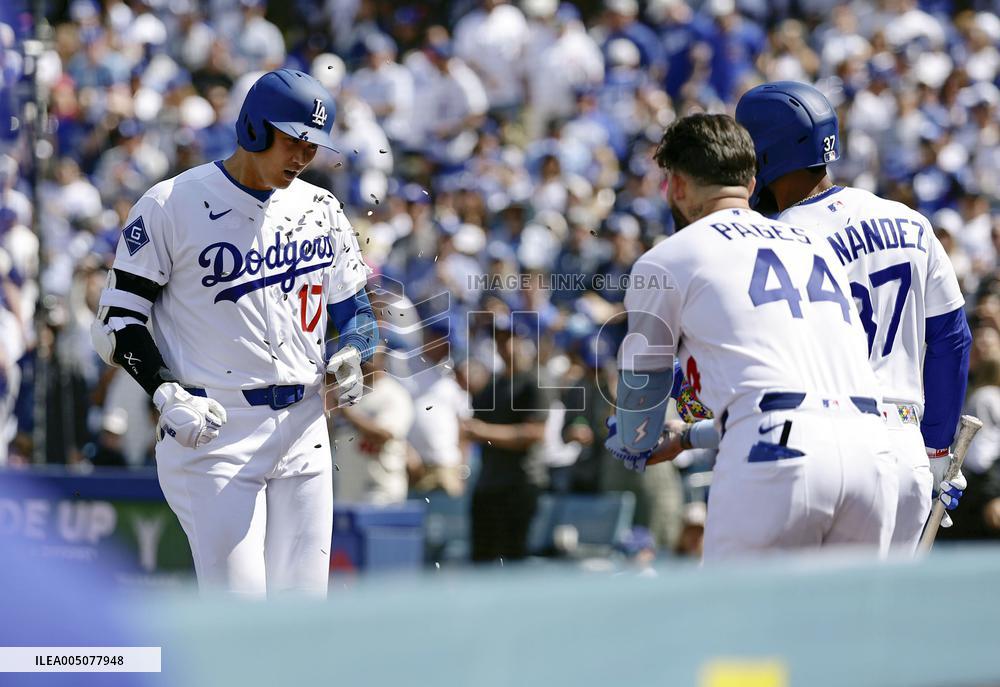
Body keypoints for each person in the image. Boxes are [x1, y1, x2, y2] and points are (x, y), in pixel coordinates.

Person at [90, 69, 378, 597]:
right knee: (241, 614)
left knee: (302, 616)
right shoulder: (172, 202)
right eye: (292, 139)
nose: (302, 156)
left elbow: (355, 309)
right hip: (216, 426)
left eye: (312, 145)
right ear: (252, 128)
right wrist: (163, 390)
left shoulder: (321, 208)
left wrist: (356, 353)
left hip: (305, 425)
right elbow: (117, 322)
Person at [607, 113, 898, 559]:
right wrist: (689, 436)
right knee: (846, 628)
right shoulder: (815, 245)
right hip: (873, 452)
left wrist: (635, 438)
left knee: (736, 627)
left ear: (679, 185)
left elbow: (636, 423)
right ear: (751, 178)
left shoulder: (667, 259)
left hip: (775, 453)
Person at [736, 81, 972, 552]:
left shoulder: (777, 239)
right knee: (887, 621)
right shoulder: (909, 220)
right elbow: (951, 340)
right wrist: (939, 451)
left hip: (831, 445)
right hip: (907, 452)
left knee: (816, 621)